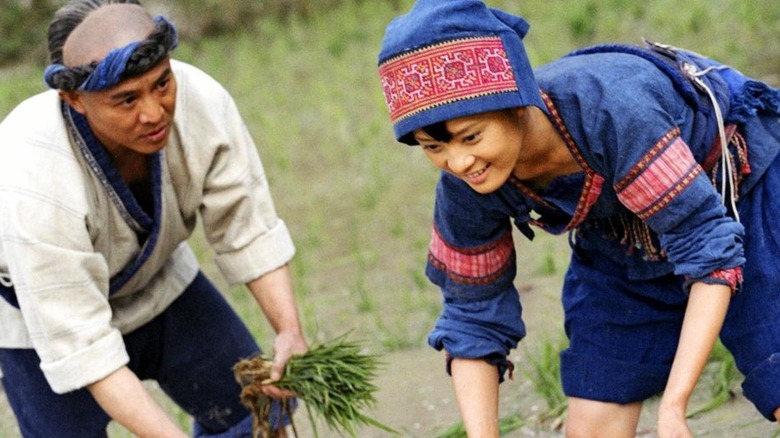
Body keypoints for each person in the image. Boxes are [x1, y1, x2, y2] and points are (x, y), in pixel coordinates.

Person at [376, 1, 780, 437]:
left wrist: (674, 408)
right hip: (620, 233)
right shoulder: (467, 182)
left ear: (516, 101)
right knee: (591, 428)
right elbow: (473, 315)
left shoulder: (609, 109)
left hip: (734, 194)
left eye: (471, 137)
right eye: (433, 148)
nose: (458, 162)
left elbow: (707, 247)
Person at [0, 1, 308, 437]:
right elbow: (85, 345)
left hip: (160, 282)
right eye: (126, 99)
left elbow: (248, 227)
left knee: (259, 410)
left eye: (162, 83)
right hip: (44, 322)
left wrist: (289, 330)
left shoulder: (202, 102)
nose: (153, 112)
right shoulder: (32, 174)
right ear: (74, 99)